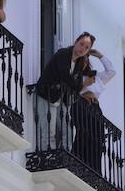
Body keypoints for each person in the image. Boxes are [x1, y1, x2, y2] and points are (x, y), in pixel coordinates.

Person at [33, 32, 116, 168]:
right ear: (75, 42)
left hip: (90, 109)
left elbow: (111, 71)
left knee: (72, 133)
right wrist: (84, 85)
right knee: (51, 131)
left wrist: (99, 55)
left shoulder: (93, 77)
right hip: (58, 98)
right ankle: (50, 161)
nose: (83, 49)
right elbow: (70, 83)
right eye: (81, 44)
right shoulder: (70, 63)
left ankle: (64, 160)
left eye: (87, 48)